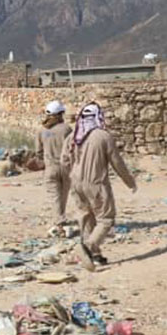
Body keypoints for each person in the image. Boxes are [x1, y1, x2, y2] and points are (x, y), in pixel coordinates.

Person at [61, 102, 137, 270]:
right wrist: (130, 182)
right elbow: (117, 162)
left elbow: (64, 161)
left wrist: (73, 174)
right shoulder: (103, 136)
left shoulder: (73, 136)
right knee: (106, 218)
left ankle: (95, 256)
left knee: (86, 216)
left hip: (76, 182)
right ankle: (88, 246)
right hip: (95, 182)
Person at [36, 99, 72, 225]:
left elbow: (38, 151)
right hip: (66, 167)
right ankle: (60, 218)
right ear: (60, 114)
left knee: (54, 195)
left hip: (50, 167)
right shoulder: (66, 129)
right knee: (63, 194)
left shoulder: (41, 130)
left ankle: (59, 219)